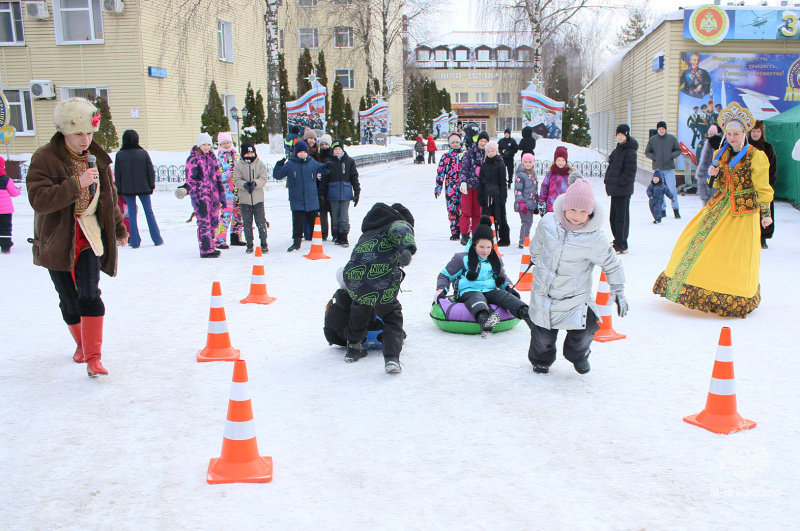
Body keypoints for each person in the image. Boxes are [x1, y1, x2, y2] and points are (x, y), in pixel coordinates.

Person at [26, 97, 129, 376]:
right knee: (68, 299)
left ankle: (94, 357)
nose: (86, 139)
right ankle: (81, 344)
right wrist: (76, 184)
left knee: (90, 294)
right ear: (63, 131)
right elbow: (39, 199)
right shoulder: (44, 158)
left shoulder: (98, 158)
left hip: (89, 237)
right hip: (58, 240)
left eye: (89, 133)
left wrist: (119, 229)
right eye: (79, 133)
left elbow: (109, 198)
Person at [653, 103, 773, 318]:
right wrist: (713, 173)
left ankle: (735, 295)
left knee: (736, 254)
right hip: (719, 205)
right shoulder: (721, 153)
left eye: (736, 133)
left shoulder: (756, 156)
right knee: (697, 240)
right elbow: (716, 184)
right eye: (729, 133)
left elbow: (762, 189)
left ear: (744, 133)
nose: (733, 137)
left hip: (744, 212)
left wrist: (765, 214)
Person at [528, 178, 626, 374]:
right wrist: (535, 257)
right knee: (542, 336)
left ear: (590, 213)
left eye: (583, 212)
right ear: (565, 206)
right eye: (573, 209)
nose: (577, 216)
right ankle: (541, 359)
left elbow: (611, 263)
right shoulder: (548, 222)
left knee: (584, 330)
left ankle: (578, 355)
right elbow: (537, 243)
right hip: (544, 293)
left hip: (575, 298)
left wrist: (618, 289)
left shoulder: (594, 238)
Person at [343, 202, 416, 374]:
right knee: (392, 316)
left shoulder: (367, 234)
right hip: (381, 279)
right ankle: (391, 357)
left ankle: (353, 348)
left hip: (354, 279)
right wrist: (406, 250)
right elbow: (402, 231)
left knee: (360, 307)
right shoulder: (397, 224)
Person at [436, 216, 533, 339]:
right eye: (481, 247)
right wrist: (441, 290)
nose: (485, 251)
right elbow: (445, 275)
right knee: (477, 297)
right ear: (474, 244)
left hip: (489, 290)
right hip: (468, 291)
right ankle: (485, 320)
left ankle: (526, 314)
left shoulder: (494, 260)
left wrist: (509, 287)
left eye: (488, 247)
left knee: (503, 296)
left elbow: (502, 277)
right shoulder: (462, 259)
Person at [272, 140, 330, 252]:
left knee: (314, 222)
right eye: (300, 152)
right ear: (296, 152)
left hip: (311, 198)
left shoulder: (312, 162)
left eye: (304, 152)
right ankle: (296, 242)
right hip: (296, 198)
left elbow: (323, 169)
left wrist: (328, 166)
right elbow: (278, 175)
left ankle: (317, 241)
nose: (303, 154)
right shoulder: (290, 164)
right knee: (297, 222)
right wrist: (279, 165)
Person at [113, 129, 163, 248]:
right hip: (143, 187)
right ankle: (157, 239)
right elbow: (150, 171)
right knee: (149, 212)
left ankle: (134, 241)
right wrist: (151, 185)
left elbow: (118, 174)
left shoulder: (119, 155)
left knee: (132, 214)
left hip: (127, 189)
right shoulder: (143, 153)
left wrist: (119, 190)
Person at [185, 132, 226, 258]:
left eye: (208, 144)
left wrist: (222, 194)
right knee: (204, 223)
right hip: (201, 196)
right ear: (199, 144)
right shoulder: (193, 159)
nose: (206, 147)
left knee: (214, 221)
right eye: (204, 144)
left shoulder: (212, 158)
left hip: (213, 196)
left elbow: (218, 177)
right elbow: (190, 180)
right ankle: (205, 249)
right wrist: (194, 196)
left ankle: (211, 246)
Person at [325, 268, 384, 347]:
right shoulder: (370, 300)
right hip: (377, 338)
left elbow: (331, 337)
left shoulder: (333, 308)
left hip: (348, 341)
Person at [320, 139, 360, 248]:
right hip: (333, 193)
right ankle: (337, 235)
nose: (337, 151)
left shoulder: (349, 161)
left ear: (342, 150)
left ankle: (344, 235)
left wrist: (357, 191)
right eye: (335, 149)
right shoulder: (329, 162)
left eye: (339, 149)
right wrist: (322, 193)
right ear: (332, 151)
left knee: (344, 216)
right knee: (335, 216)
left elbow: (354, 177)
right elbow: (324, 179)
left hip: (346, 192)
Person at [604, 124, 638, 254]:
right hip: (614, 189)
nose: (619, 137)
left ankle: (621, 243)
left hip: (623, 190)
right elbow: (611, 167)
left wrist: (620, 182)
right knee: (613, 216)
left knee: (621, 218)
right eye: (618, 134)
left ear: (626, 135)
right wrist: (607, 179)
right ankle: (617, 240)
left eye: (622, 135)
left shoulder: (630, 152)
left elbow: (630, 172)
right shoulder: (617, 150)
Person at [233, 142, 269, 253]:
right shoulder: (239, 166)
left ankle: (264, 242)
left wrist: (255, 183)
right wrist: (244, 184)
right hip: (245, 200)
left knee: (261, 222)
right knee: (247, 223)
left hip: (258, 199)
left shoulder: (259, 164)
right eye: (247, 153)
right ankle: (249, 243)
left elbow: (263, 178)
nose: (250, 155)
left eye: (252, 152)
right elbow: (236, 180)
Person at [749, 120, 777, 249]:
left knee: (765, 212)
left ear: (762, 133)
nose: (755, 134)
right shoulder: (745, 146)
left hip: (763, 186)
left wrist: (768, 184)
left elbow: (772, 168)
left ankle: (763, 237)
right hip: (747, 187)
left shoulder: (768, 147)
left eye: (758, 131)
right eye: (753, 131)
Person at [644, 121, 682, 219]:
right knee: (659, 190)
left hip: (669, 168)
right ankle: (662, 209)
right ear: (657, 130)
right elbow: (647, 152)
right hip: (658, 169)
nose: (661, 130)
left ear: (665, 129)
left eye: (663, 129)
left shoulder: (671, 138)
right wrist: (655, 157)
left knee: (672, 189)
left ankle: (675, 209)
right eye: (659, 129)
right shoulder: (653, 140)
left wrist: (671, 156)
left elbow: (678, 150)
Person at [458, 131, 489, 245]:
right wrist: (463, 182)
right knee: (466, 211)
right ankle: (464, 234)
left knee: (477, 213)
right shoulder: (470, 153)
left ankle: (475, 234)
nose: (483, 143)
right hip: (468, 187)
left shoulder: (488, 154)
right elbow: (464, 169)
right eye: (481, 141)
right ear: (478, 141)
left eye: (485, 141)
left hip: (480, 188)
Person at [477, 141, 510, 246]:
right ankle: (488, 236)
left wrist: (503, 196)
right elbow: (481, 182)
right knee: (487, 215)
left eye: (492, 151)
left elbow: (503, 182)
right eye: (489, 151)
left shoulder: (500, 164)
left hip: (497, 192)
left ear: (496, 151)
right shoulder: (484, 165)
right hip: (487, 193)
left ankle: (504, 238)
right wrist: (480, 196)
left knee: (500, 216)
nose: (491, 153)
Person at [215, 132, 244, 248]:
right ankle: (220, 240)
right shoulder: (219, 157)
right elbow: (217, 176)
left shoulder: (237, 155)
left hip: (238, 191)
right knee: (225, 216)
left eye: (228, 143)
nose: (227, 145)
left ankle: (236, 238)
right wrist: (229, 173)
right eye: (224, 143)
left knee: (238, 215)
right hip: (226, 193)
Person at [435, 132, 464, 241]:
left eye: (457, 142)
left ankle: (465, 231)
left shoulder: (465, 155)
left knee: (464, 210)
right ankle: (454, 231)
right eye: (453, 142)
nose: (455, 144)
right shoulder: (446, 157)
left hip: (464, 187)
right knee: (452, 210)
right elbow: (440, 172)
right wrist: (438, 187)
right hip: (451, 188)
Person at [538, 146, 572, 215]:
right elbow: (544, 190)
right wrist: (541, 206)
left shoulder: (569, 175)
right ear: (555, 160)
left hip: (565, 209)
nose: (560, 162)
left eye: (563, 160)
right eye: (558, 160)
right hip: (551, 208)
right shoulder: (550, 174)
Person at [514, 153, 539, 248]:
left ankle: (525, 239)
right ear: (522, 162)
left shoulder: (533, 174)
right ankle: (523, 241)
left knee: (529, 222)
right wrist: (520, 202)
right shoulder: (521, 175)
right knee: (526, 222)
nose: (528, 164)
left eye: (530, 162)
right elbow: (518, 190)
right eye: (525, 162)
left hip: (531, 203)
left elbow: (535, 190)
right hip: (523, 203)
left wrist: (537, 201)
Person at [695, 125, 722, 206]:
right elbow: (703, 166)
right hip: (712, 183)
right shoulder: (712, 143)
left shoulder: (735, 144)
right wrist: (703, 188)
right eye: (709, 134)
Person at [0, 156, 22, 254]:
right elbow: (14, 193)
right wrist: (19, 190)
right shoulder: (6, 180)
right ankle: (5, 248)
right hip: (5, 210)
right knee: (5, 227)